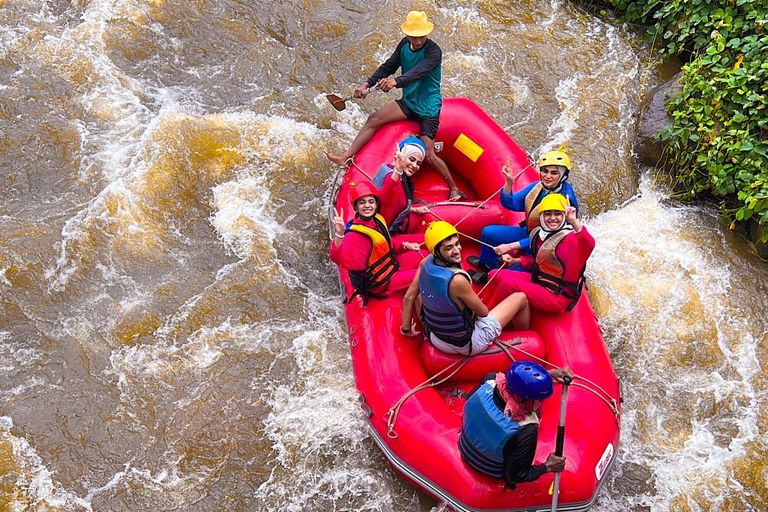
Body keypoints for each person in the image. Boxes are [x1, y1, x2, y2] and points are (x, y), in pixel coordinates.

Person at [325, 10, 467, 201]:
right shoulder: (404, 45)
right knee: (374, 118)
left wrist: (395, 82)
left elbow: (418, 72)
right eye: (413, 36)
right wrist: (367, 83)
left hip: (428, 108)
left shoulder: (434, 51)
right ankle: (346, 156)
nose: (417, 41)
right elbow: (388, 66)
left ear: (426, 34)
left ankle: (453, 188)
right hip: (409, 101)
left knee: (429, 154)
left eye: (421, 37)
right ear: (408, 34)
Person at [400, 221, 529, 355]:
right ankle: (525, 341)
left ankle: (426, 337)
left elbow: (409, 297)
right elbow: (483, 313)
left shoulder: (425, 263)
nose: (456, 251)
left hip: (435, 337)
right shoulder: (458, 281)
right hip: (467, 344)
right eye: (449, 248)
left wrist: (406, 329)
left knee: (420, 292)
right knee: (521, 298)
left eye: (457, 244)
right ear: (437, 251)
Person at [458, 361, 574, 490]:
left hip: (466, 446)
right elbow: (516, 476)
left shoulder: (490, 379)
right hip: (489, 470)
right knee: (533, 417)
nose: (540, 402)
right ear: (525, 399)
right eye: (538, 399)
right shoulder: (526, 432)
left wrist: (548, 375)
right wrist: (548, 466)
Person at [476, 193, 595, 314]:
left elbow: (589, 244)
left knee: (508, 283)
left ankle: (485, 317)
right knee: (494, 274)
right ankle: (481, 306)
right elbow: (541, 261)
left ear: (564, 216)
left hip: (557, 296)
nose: (553, 218)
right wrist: (515, 261)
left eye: (558, 214)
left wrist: (573, 221)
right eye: (548, 214)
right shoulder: (540, 234)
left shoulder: (571, 241)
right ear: (542, 216)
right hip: (540, 281)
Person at [467, 150, 579, 272]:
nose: (547, 176)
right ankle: (488, 265)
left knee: (511, 272)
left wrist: (510, 246)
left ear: (563, 176)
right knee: (488, 232)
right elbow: (511, 204)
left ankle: (490, 277)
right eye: (544, 171)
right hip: (529, 233)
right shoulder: (538, 187)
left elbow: (549, 238)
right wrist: (509, 183)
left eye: (554, 173)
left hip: (545, 245)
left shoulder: (567, 200)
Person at [330, 182, 425, 305]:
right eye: (362, 202)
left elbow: (385, 245)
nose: (367, 206)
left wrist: (405, 245)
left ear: (376, 205)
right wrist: (339, 234)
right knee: (426, 274)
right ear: (356, 207)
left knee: (424, 254)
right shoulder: (355, 236)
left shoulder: (377, 220)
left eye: (371, 201)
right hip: (383, 284)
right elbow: (337, 257)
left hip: (392, 265)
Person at [374, 136, 431, 235]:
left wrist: (413, 209)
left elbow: (395, 204)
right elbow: (384, 197)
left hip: (390, 228)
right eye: (411, 159)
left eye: (418, 163)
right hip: (379, 233)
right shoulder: (393, 177)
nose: (414, 166)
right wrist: (398, 170)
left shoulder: (404, 178)